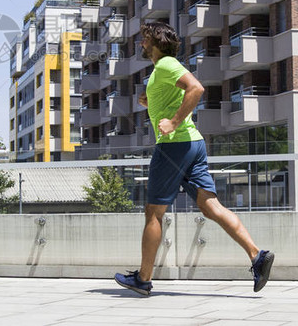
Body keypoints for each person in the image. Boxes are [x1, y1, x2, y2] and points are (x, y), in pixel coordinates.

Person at [114, 22, 274, 296]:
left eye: (144, 40)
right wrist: (150, 102)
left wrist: (174, 122)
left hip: (174, 146)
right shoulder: (160, 71)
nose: (141, 44)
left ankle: (143, 278)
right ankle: (257, 255)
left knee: (153, 212)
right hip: (193, 145)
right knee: (211, 206)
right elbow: (174, 95)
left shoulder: (165, 64)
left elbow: (196, 89)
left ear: (155, 43)